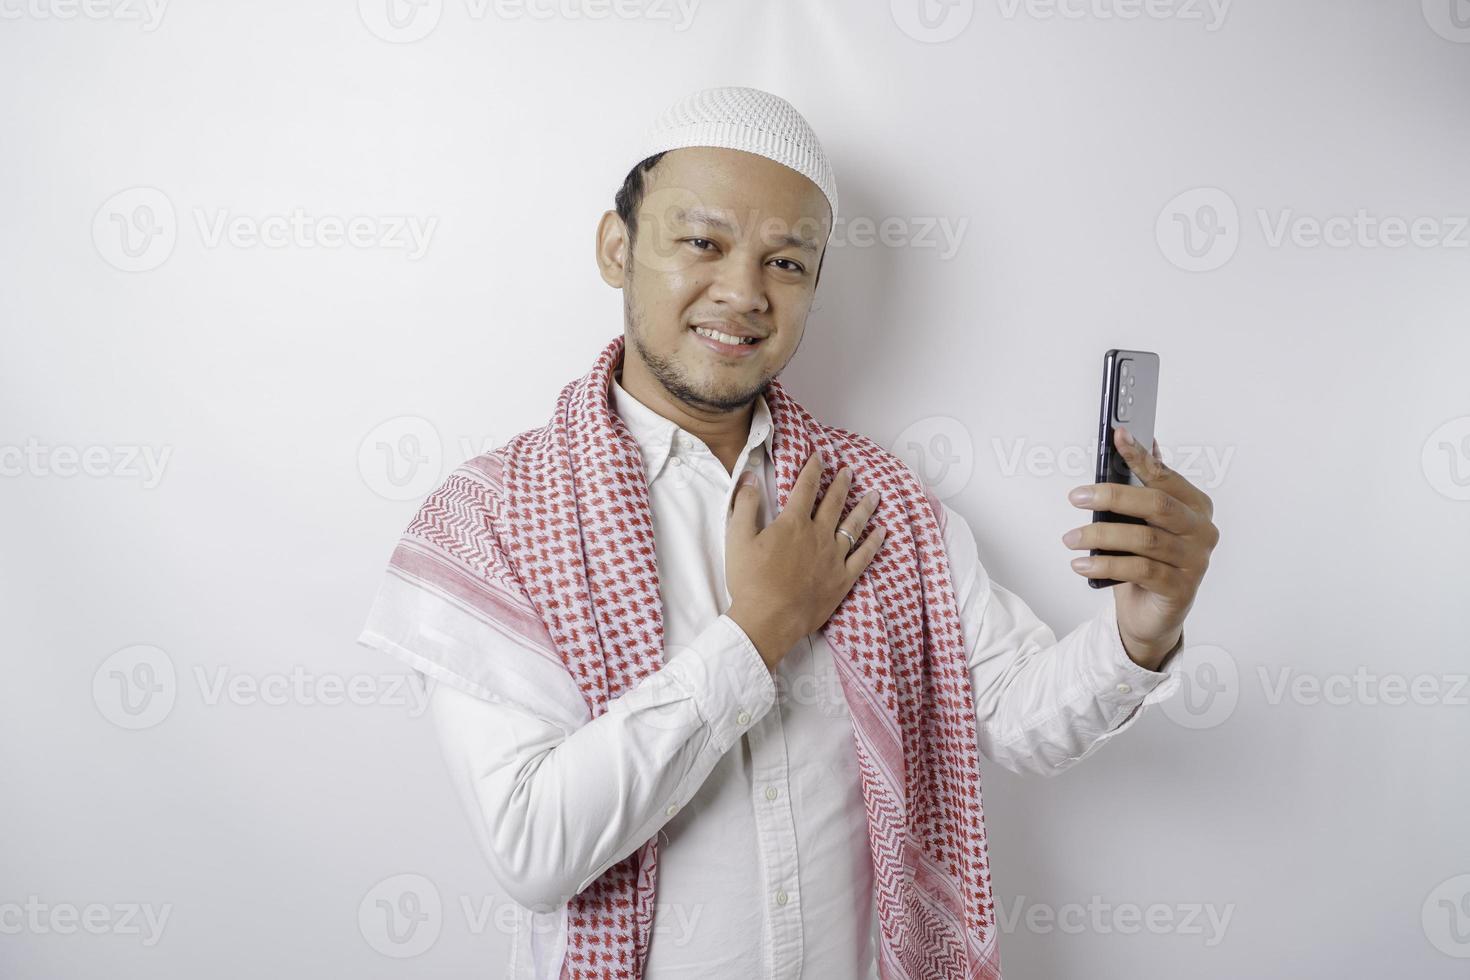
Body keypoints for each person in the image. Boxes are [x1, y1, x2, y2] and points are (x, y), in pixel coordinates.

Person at [357, 85, 1219, 980]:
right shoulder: (496, 516)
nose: (742, 292)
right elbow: (535, 848)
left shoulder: (873, 498)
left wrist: (1141, 632)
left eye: (787, 263)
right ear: (618, 249)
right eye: (703, 242)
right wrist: (759, 629)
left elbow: (1017, 718)